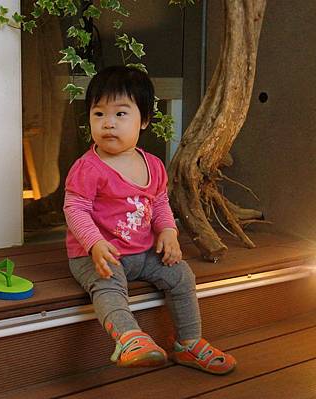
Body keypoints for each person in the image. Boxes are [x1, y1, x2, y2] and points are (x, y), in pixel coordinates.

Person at [63, 65, 236, 375]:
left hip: (142, 253)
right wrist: (95, 244)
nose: (108, 124)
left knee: (181, 275)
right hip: (99, 255)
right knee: (107, 285)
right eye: (98, 114)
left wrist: (168, 231)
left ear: (143, 120)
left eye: (120, 114)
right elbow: (75, 208)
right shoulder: (88, 168)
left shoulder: (153, 165)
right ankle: (130, 338)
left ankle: (188, 342)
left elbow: (159, 202)